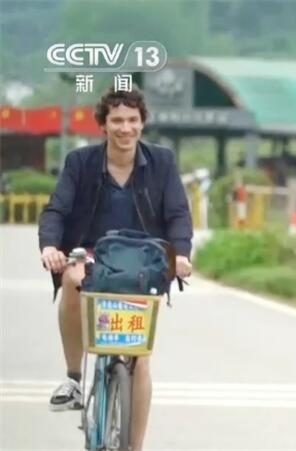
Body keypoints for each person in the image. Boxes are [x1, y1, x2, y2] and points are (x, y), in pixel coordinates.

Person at [37, 86, 193, 451]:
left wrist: (181, 255)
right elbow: (56, 210)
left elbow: (178, 214)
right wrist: (50, 247)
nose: (126, 128)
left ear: (142, 123)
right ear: (103, 125)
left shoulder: (162, 162)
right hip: (91, 253)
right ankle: (74, 377)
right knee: (73, 279)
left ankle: (134, 446)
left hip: (144, 260)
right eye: (117, 120)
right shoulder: (80, 162)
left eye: (133, 120)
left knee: (140, 362)